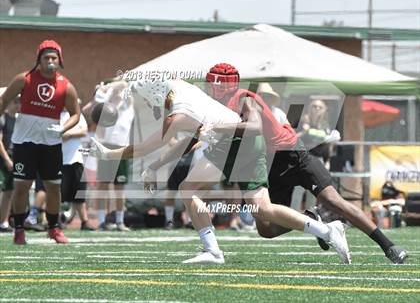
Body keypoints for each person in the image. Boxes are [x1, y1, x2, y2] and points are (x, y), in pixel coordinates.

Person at [89, 78, 351, 265]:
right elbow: (186, 140)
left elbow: (147, 146)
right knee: (263, 209)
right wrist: (156, 166)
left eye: (148, 100)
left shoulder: (179, 112)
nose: (148, 105)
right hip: (245, 144)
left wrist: (109, 154)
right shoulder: (180, 87)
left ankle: (213, 250)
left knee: (188, 190)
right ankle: (327, 231)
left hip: (232, 144)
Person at [204, 63, 407, 264]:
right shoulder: (222, 107)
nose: (215, 88)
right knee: (265, 228)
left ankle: (388, 246)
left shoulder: (243, 98)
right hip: (271, 164)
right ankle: (310, 217)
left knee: (335, 202)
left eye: (219, 83)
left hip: (293, 154)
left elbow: (254, 126)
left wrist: (218, 129)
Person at [0, 39, 80, 244]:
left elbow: (76, 114)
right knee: (21, 186)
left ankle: (54, 228)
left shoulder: (66, 86)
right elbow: (4, 99)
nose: (50, 61)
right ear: (39, 60)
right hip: (24, 142)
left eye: (54, 57)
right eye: (46, 58)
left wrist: (63, 128)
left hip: (51, 144)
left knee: (53, 187)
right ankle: (19, 229)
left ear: (60, 60)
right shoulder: (24, 79)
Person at [87, 81, 133, 231]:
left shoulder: (128, 104)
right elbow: (87, 109)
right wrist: (101, 91)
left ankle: (120, 222)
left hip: (122, 148)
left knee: (119, 188)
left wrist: (105, 87)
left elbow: (124, 83)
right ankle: (102, 221)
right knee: (103, 186)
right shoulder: (106, 103)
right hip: (106, 146)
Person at [61, 110, 96, 231]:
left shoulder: (78, 115)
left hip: (76, 159)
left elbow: (83, 131)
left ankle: (84, 222)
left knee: (79, 192)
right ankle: (55, 220)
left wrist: (68, 133)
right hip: (59, 159)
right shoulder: (55, 114)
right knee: (59, 193)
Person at [0, 93, 19, 232]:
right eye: (17, 101)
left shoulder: (18, 119)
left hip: (14, 158)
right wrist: (6, 159)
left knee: (9, 190)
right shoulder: (3, 117)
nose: (20, 105)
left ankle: (4, 223)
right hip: (3, 158)